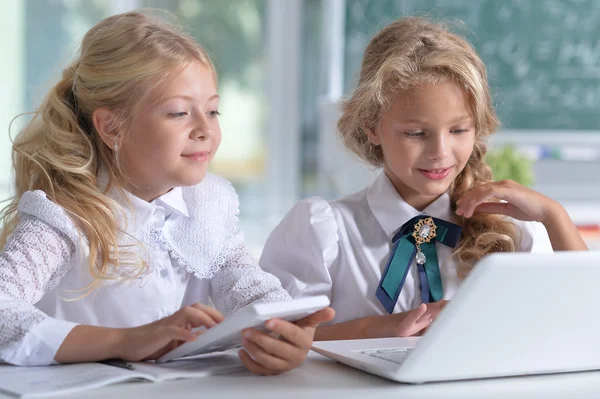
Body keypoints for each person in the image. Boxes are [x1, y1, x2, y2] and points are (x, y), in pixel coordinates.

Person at [0, 10, 333, 374]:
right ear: (112, 128)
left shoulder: (209, 204)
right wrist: (124, 340)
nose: (205, 129)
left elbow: (249, 289)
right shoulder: (64, 216)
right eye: (178, 113)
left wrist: (283, 334)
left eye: (213, 110)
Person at [259, 17, 586, 341]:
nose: (440, 152)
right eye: (416, 133)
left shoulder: (512, 229)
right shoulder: (323, 232)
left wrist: (552, 216)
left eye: (459, 130)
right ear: (372, 126)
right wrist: (373, 328)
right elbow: (270, 339)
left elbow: (585, 322)